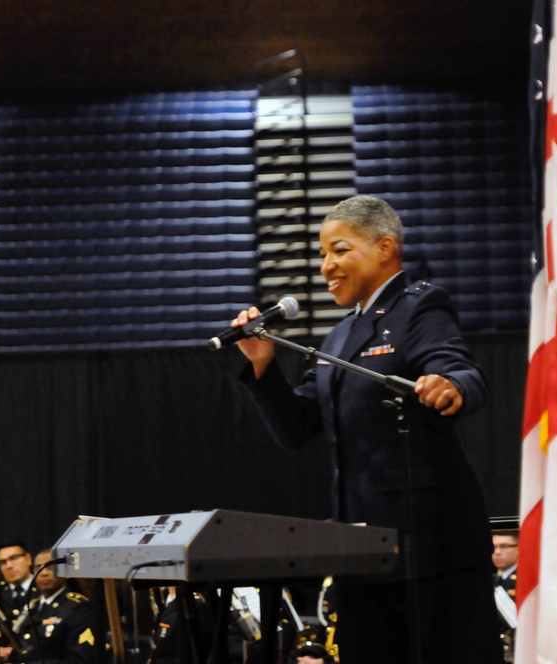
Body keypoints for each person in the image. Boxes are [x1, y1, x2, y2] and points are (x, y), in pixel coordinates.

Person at [233, 195, 503, 664]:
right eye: (321, 255)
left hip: (431, 548)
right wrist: (263, 369)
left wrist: (451, 386)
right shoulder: (339, 336)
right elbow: (296, 428)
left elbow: (462, 371)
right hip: (361, 552)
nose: (326, 266)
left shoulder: (421, 306)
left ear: (384, 248)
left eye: (339, 250)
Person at [12, 549, 96, 664]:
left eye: (51, 567)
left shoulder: (77, 607)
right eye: (38, 568)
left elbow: (79, 659)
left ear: (66, 574)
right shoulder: (32, 606)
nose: (44, 573)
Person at [491, 530, 519, 662]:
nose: (497, 552)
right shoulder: (491, 581)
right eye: (494, 547)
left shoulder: (527, 582)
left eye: (504, 546)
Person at [0, 541, 39, 621]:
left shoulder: (43, 589)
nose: (9, 566)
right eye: (3, 562)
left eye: (14, 558)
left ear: (28, 559)